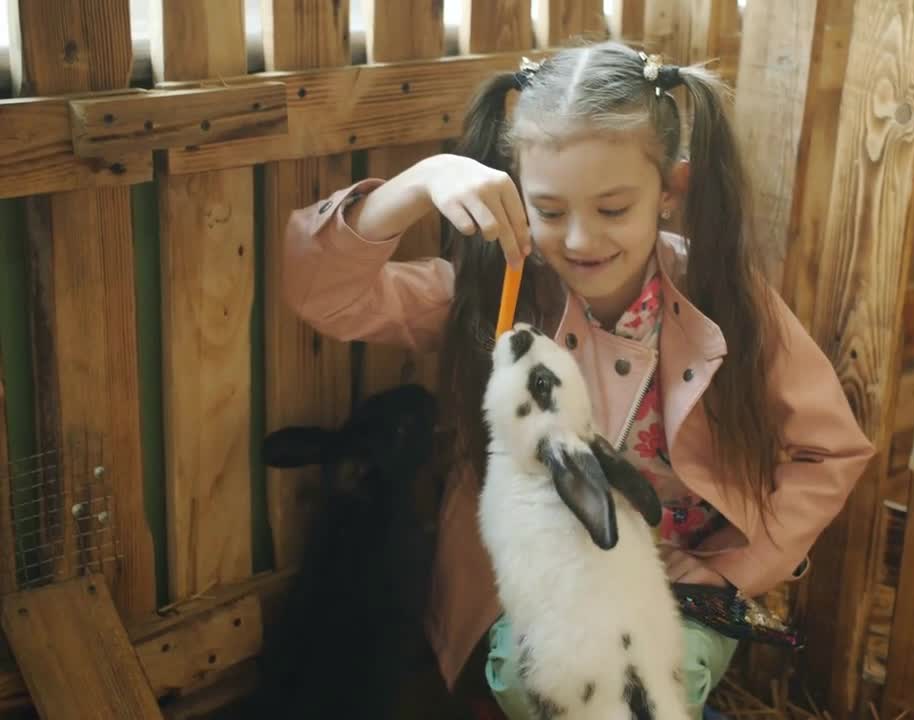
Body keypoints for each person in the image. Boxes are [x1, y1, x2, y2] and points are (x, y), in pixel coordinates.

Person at [279, 41, 874, 718]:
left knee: (640, 688)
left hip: (674, 584)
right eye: (551, 211)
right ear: (514, 186)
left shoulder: (730, 299)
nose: (582, 240)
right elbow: (324, 296)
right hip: (532, 586)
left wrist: (734, 571)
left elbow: (830, 450)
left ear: (671, 191)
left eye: (614, 209)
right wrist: (420, 183)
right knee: (529, 680)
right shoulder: (489, 291)